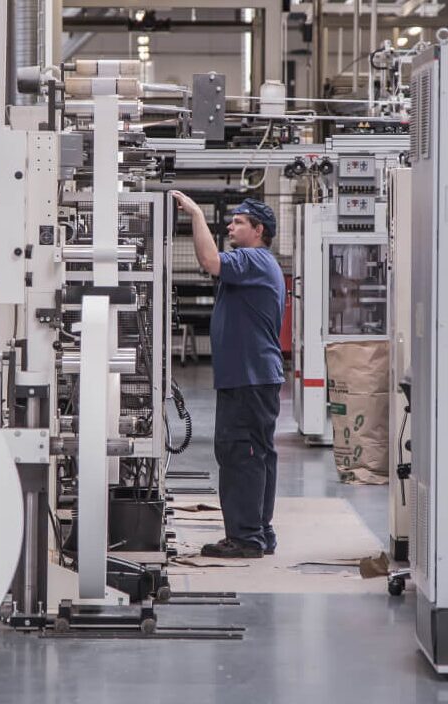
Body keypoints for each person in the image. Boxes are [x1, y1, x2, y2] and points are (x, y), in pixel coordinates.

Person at [169, 191, 286, 559]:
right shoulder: (258, 263)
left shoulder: (253, 259)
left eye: (238, 222)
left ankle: (246, 537)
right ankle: (259, 531)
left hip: (248, 377)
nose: (230, 226)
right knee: (257, 454)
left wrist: (195, 214)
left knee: (241, 452)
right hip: (253, 375)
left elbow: (208, 260)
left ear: (258, 229)